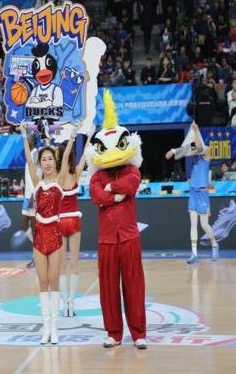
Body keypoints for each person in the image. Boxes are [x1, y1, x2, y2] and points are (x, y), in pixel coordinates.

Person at [89, 90, 147, 350]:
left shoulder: (132, 169)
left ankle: (139, 334)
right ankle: (113, 333)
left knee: (134, 286)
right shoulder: (96, 176)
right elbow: (97, 196)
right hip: (107, 240)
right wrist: (115, 195)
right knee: (108, 289)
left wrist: (111, 190)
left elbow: (131, 184)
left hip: (129, 237)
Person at [21, 124, 64, 345]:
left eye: (50, 159)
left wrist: (73, 138)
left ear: (55, 162)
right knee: (43, 283)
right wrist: (24, 136)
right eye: (44, 159)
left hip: (55, 237)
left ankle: (54, 329)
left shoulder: (60, 181)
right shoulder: (37, 184)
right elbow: (29, 162)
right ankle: (45, 328)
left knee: (54, 284)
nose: (47, 162)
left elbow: (68, 156)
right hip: (39, 238)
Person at [166, 122, 218, 264]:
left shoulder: (206, 151)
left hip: (202, 193)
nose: (193, 144)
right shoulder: (193, 152)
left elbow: (199, 147)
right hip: (193, 193)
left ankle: (214, 243)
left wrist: (195, 130)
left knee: (204, 225)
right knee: (193, 224)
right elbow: (185, 150)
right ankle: (194, 254)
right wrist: (173, 151)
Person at [58, 128, 91, 317]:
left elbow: (65, 159)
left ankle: (65, 304)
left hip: (61, 221)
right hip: (74, 221)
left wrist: (72, 138)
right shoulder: (76, 173)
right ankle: (71, 302)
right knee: (75, 265)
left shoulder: (60, 176)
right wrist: (89, 137)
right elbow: (85, 155)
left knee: (63, 266)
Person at [21, 136, 39, 269]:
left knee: (34, 228)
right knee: (24, 226)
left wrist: (34, 193)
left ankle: (37, 256)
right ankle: (39, 247)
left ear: (33, 141)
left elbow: (38, 174)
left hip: (33, 195)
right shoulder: (29, 153)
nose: (27, 141)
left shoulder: (36, 153)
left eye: (29, 139)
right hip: (27, 195)